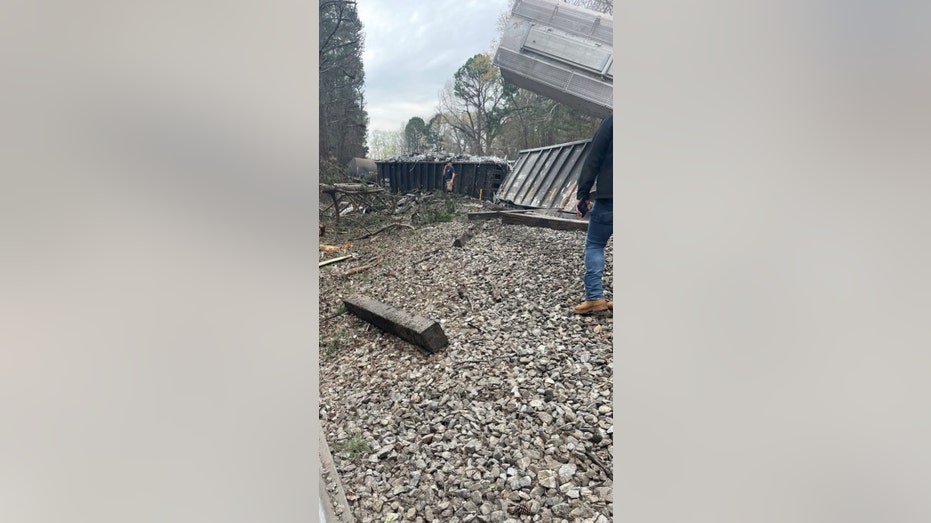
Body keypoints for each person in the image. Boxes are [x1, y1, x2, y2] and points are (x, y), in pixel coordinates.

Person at [573, 113, 613, 314]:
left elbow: (594, 158)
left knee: (595, 244)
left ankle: (595, 297)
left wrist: (583, 195)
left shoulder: (613, 121)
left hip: (610, 197)